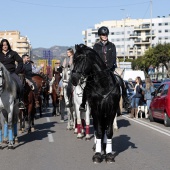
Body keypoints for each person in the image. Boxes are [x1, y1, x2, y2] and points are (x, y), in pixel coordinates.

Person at [79, 26, 131, 112]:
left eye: (106, 34)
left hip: (110, 69)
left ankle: (126, 101)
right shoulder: (96, 46)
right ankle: (83, 104)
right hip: (99, 70)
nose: (105, 36)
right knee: (88, 83)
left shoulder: (112, 45)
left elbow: (113, 58)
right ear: (100, 35)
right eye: (103, 34)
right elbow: (95, 58)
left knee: (121, 81)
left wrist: (110, 67)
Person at [0, 39, 25, 109]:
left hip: (11, 73)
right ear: (1, 46)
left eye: (6, 45)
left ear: (8, 45)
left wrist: (16, 72)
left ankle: (20, 101)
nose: (5, 46)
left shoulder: (13, 53)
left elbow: (20, 62)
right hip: (1, 74)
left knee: (20, 85)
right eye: (3, 45)